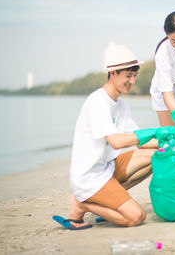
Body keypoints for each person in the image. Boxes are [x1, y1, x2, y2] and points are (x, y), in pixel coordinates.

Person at [53, 42, 158, 230]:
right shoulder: (97, 102)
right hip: (90, 178)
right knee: (136, 217)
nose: (132, 81)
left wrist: (172, 140)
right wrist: (152, 132)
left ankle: (108, 203)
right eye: (128, 76)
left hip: (108, 168)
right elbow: (117, 142)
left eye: (134, 75)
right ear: (113, 73)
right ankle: (82, 203)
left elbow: (141, 143)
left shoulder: (120, 104)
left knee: (158, 156)